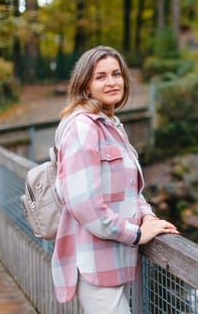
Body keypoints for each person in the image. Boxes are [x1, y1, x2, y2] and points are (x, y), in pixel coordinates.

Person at [51, 45, 179, 313]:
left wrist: (148, 216)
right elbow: (84, 204)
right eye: (101, 76)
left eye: (116, 74)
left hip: (116, 258)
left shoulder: (111, 125)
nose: (111, 82)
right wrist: (136, 234)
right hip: (94, 261)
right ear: (85, 84)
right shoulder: (82, 128)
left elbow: (131, 188)